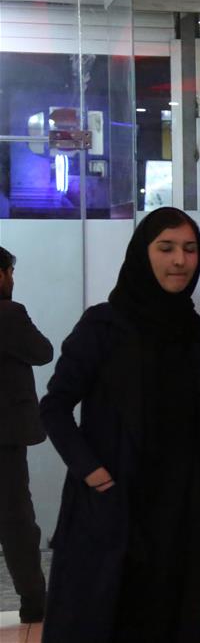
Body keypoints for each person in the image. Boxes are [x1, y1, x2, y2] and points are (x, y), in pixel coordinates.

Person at [39, 208, 200, 643]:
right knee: (106, 615)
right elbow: (55, 405)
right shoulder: (103, 325)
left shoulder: (193, 331)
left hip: (178, 510)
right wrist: (90, 470)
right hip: (116, 504)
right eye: (166, 248)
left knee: (170, 616)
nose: (180, 260)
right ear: (143, 253)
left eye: (190, 249)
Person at [0, 246, 53, 623]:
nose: (12, 280)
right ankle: (34, 601)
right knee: (17, 521)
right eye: (9, 272)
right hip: (4, 437)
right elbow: (43, 351)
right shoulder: (9, 313)